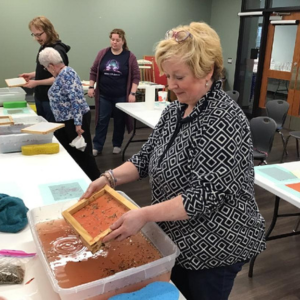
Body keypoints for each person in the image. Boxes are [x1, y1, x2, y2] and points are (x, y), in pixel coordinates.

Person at [82, 22, 266, 300]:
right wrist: (108, 179)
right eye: (167, 76)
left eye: (178, 77)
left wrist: (143, 214)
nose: (170, 85)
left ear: (208, 72)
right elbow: (145, 158)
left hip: (216, 245)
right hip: (177, 237)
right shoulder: (175, 111)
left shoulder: (223, 120)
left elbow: (201, 197)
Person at [38, 47, 100, 181]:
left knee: (83, 154)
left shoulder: (67, 74)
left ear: (51, 66)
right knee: (72, 153)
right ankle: (80, 180)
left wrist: (78, 125)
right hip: (67, 120)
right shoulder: (61, 75)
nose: (46, 70)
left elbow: (76, 100)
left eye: (45, 68)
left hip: (74, 120)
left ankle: (96, 181)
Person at [88, 28, 140, 156]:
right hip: (104, 95)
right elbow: (94, 70)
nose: (115, 42)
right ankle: (97, 145)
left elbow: (136, 76)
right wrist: (91, 86)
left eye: (118, 40)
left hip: (121, 96)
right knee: (102, 120)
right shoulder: (103, 53)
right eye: (112, 40)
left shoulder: (129, 56)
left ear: (123, 41)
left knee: (119, 121)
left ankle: (117, 144)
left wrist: (132, 93)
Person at [20, 16, 70, 122]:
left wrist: (36, 82)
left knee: (54, 132)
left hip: (52, 99)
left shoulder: (58, 50)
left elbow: (59, 77)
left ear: (48, 30)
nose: (37, 38)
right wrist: (32, 75)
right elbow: (46, 70)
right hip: (40, 97)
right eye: (34, 35)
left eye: (39, 34)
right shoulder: (44, 47)